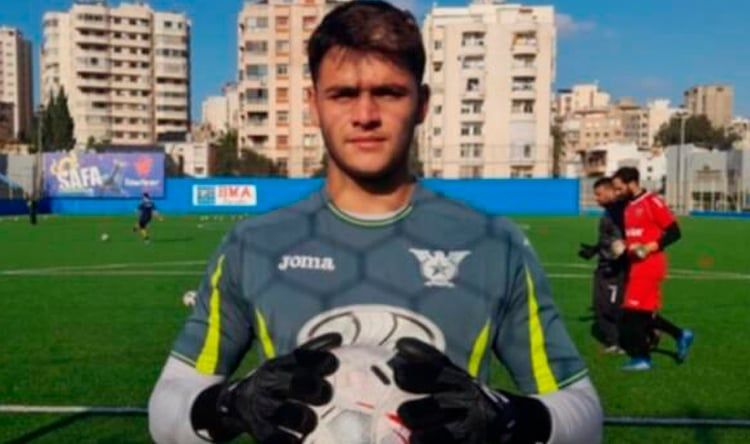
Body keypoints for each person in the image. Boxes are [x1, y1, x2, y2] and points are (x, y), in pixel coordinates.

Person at [148, 2, 603, 443]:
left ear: (422, 103)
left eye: (388, 93)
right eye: (343, 94)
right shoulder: (254, 244)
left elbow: (582, 412)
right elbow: (166, 407)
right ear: (313, 105)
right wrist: (230, 405)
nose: (365, 116)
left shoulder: (493, 244)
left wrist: (505, 416)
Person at [612, 167, 694, 371]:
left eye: (619, 188)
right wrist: (623, 245)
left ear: (632, 183)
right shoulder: (628, 206)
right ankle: (681, 334)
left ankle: (643, 358)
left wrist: (650, 247)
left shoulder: (652, 202)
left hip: (650, 265)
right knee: (644, 314)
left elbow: (674, 232)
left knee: (631, 313)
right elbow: (637, 235)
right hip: (636, 265)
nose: (617, 192)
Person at [578, 177, 626, 353]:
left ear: (611, 191)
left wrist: (619, 255)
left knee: (611, 307)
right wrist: (594, 249)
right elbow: (608, 239)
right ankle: (614, 342)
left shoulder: (621, 212)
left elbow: (621, 241)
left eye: (599, 194)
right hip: (603, 265)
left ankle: (645, 334)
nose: (596, 198)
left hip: (615, 268)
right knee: (599, 305)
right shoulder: (608, 212)